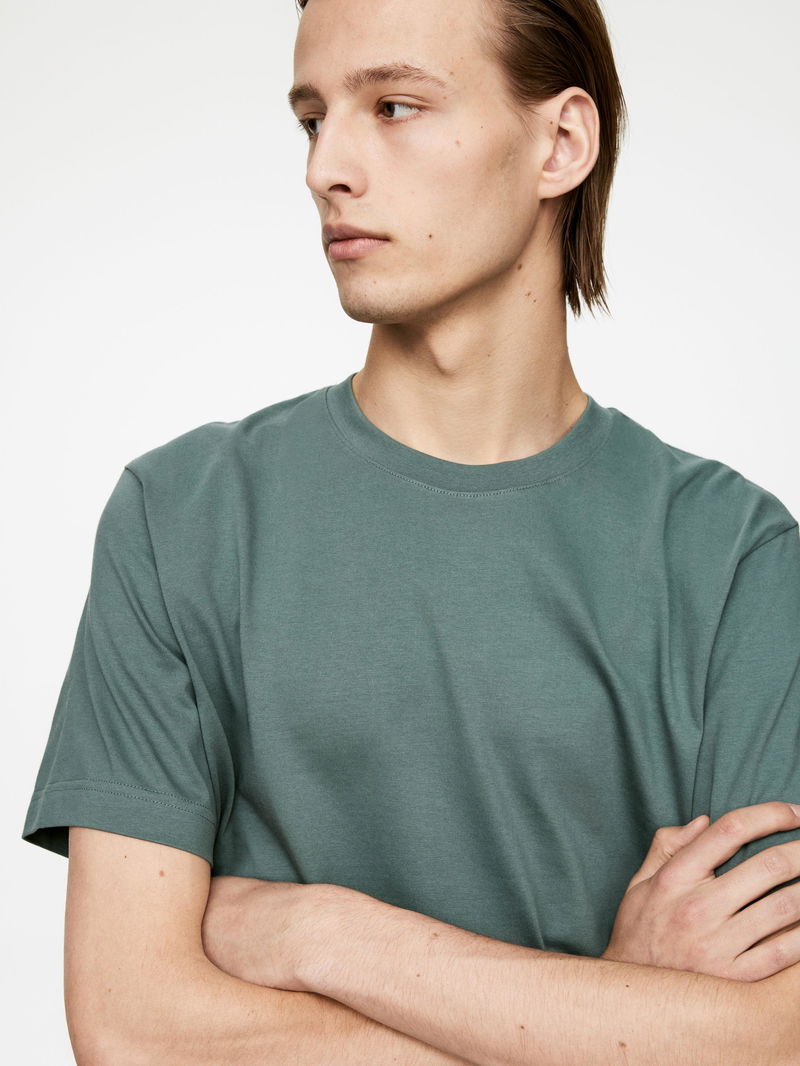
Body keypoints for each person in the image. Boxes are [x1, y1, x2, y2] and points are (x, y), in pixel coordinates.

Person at [21, 0, 800, 1062]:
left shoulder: (738, 560)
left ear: (560, 143)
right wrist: (609, 1019)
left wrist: (321, 933)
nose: (325, 168)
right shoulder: (181, 516)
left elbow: (771, 1040)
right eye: (312, 119)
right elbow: (132, 1030)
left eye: (392, 106)